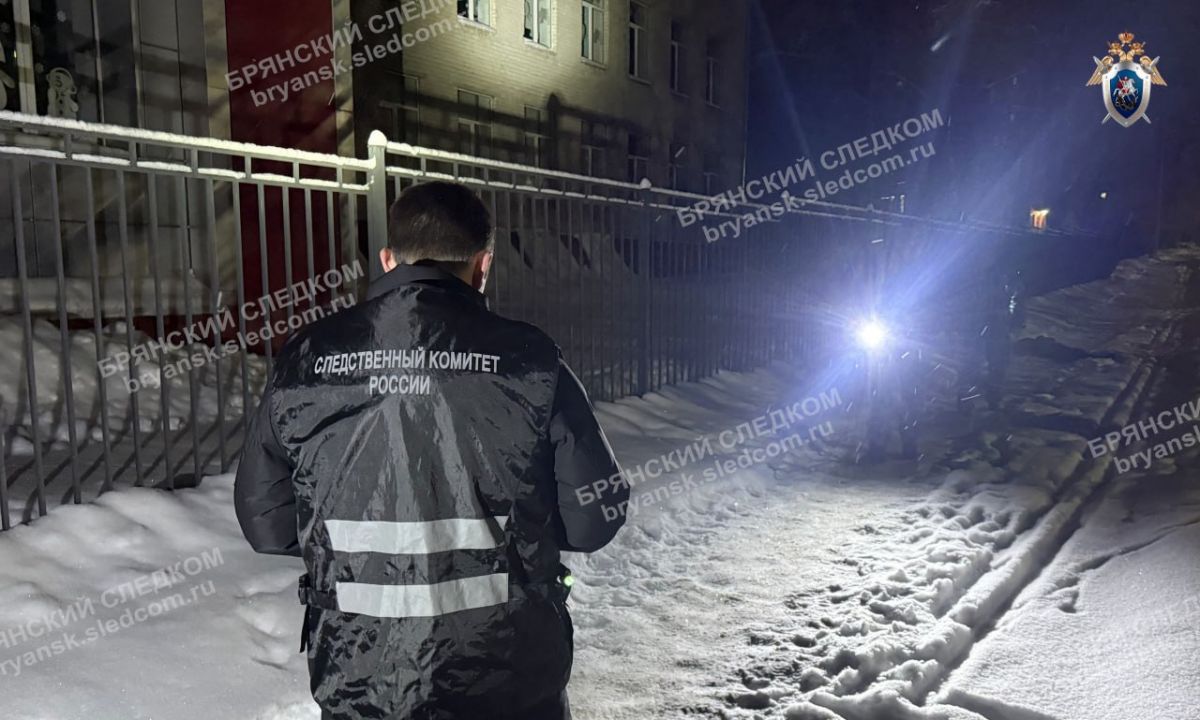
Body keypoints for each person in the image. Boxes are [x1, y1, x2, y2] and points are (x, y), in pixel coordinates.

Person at [234, 180, 628, 720]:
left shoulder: (307, 357)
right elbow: (594, 516)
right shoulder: (530, 359)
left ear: (387, 259)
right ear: (483, 265)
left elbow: (267, 523)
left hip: (360, 679)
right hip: (509, 679)